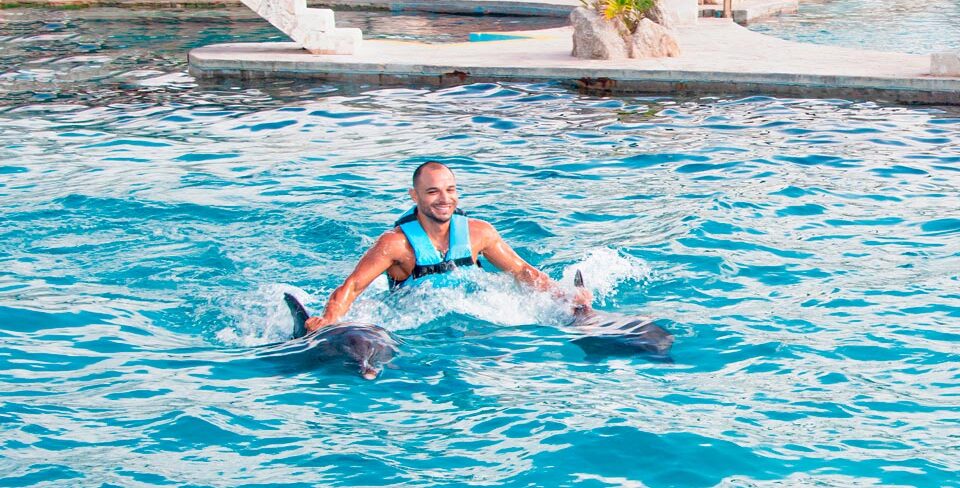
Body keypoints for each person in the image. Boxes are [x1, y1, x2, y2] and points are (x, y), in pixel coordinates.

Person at [304, 161, 592, 332]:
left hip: (473, 318)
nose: (444, 199)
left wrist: (564, 295)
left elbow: (522, 272)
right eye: (432, 192)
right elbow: (352, 287)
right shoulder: (395, 244)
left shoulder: (480, 233)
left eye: (450, 190)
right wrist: (329, 320)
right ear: (414, 196)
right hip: (413, 322)